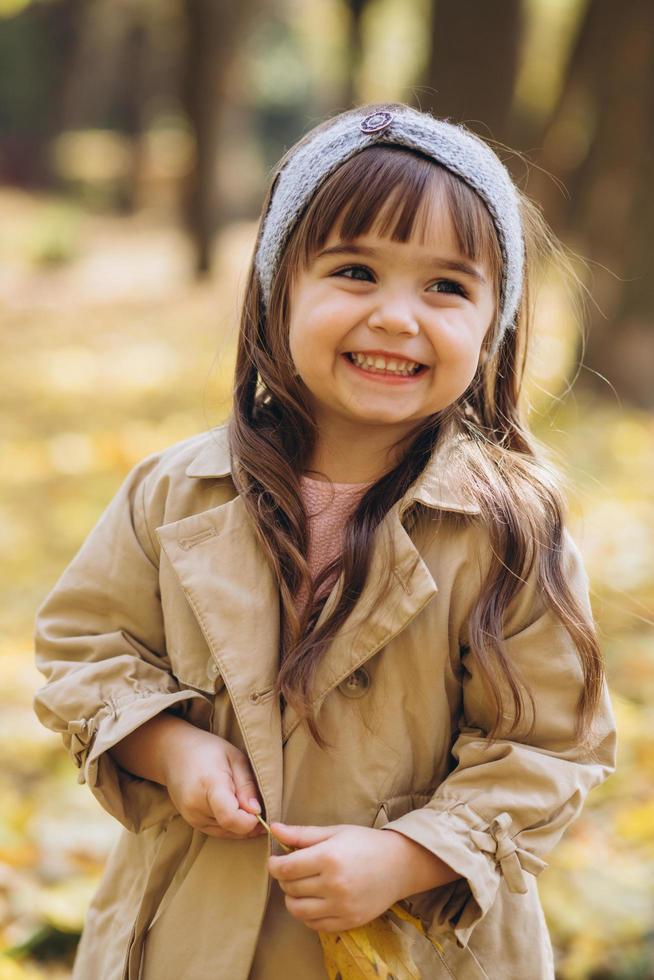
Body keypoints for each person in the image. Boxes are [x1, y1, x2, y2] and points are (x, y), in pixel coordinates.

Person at [33, 102, 617, 980]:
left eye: (446, 286)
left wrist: (410, 857)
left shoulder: (509, 531)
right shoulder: (173, 492)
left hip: (419, 949)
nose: (395, 316)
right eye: (354, 271)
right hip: (189, 936)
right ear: (278, 288)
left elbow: (548, 745)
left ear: (496, 319)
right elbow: (84, 649)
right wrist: (171, 746)